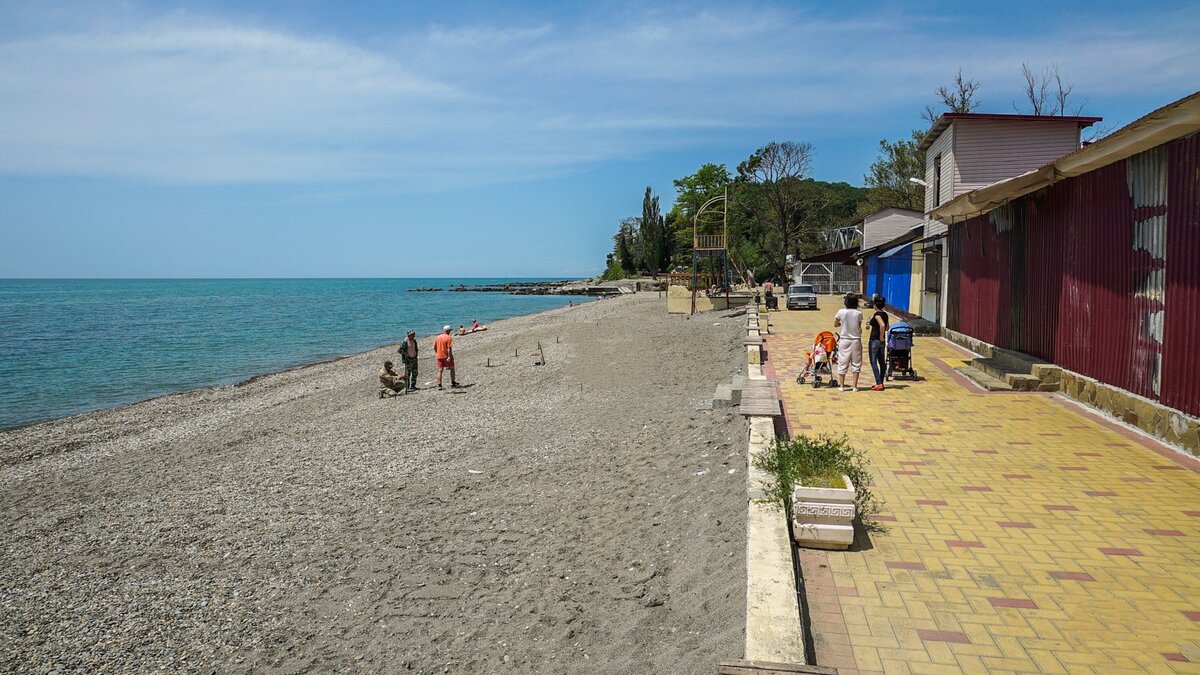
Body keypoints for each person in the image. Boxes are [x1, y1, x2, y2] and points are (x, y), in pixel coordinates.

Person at [833, 294, 864, 392]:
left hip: (844, 340)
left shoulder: (841, 312)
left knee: (842, 361)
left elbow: (836, 324)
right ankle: (854, 386)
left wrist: (843, 323)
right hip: (856, 340)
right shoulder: (858, 313)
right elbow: (859, 327)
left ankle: (841, 386)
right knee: (856, 363)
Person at [867, 296, 889, 391]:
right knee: (881, 361)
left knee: (874, 362)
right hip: (882, 341)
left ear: (875, 305)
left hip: (875, 340)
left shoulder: (877, 315)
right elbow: (887, 327)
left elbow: (883, 326)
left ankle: (879, 382)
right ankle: (881, 381)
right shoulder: (885, 314)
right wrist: (883, 336)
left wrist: (880, 336)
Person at [434, 325, 461, 390]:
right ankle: (453, 382)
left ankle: (439, 385)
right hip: (446, 356)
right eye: (449, 331)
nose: (450, 332)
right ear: (447, 331)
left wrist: (437, 353)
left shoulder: (438, 337)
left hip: (439, 356)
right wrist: (449, 356)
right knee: (452, 369)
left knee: (440, 370)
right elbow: (449, 348)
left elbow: (434, 347)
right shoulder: (448, 337)